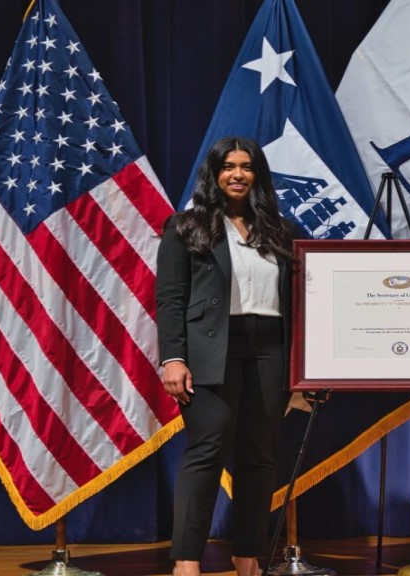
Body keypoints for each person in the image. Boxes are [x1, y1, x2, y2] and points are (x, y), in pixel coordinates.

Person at [156, 136, 299, 576]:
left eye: (247, 166)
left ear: (258, 174)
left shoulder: (281, 229)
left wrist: (306, 368)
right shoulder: (185, 227)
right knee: (206, 451)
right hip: (210, 351)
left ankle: (248, 558)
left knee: (259, 457)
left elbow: (300, 302)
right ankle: (186, 561)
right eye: (229, 166)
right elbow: (171, 299)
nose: (238, 174)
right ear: (214, 173)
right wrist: (173, 358)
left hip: (270, 348)